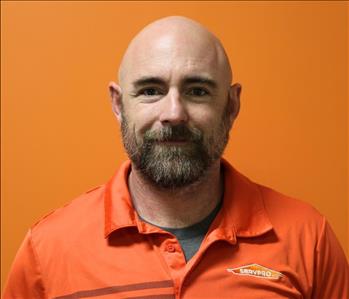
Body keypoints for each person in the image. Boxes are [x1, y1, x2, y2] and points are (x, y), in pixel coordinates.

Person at [3, 16, 349, 299]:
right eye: (151, 91)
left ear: (231, 106)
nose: (174, 113)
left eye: (197, 91)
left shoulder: (308, 238)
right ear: (118, 105)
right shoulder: (47, 249)